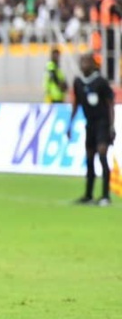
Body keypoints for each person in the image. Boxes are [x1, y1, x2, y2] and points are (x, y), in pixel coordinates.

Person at [67, 53, 115, 206]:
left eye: (87, 62)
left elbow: (110, 105)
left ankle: (105, 196)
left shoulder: (101, 82)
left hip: (102, 123)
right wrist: (70, 124)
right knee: (89, 158)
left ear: (94, 64)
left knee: (102, 155)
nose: (84, 65)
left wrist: (111, 126)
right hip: (89, 124)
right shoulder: (78, 82)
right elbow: (76, 104)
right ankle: (88, 195)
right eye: (82, 62)